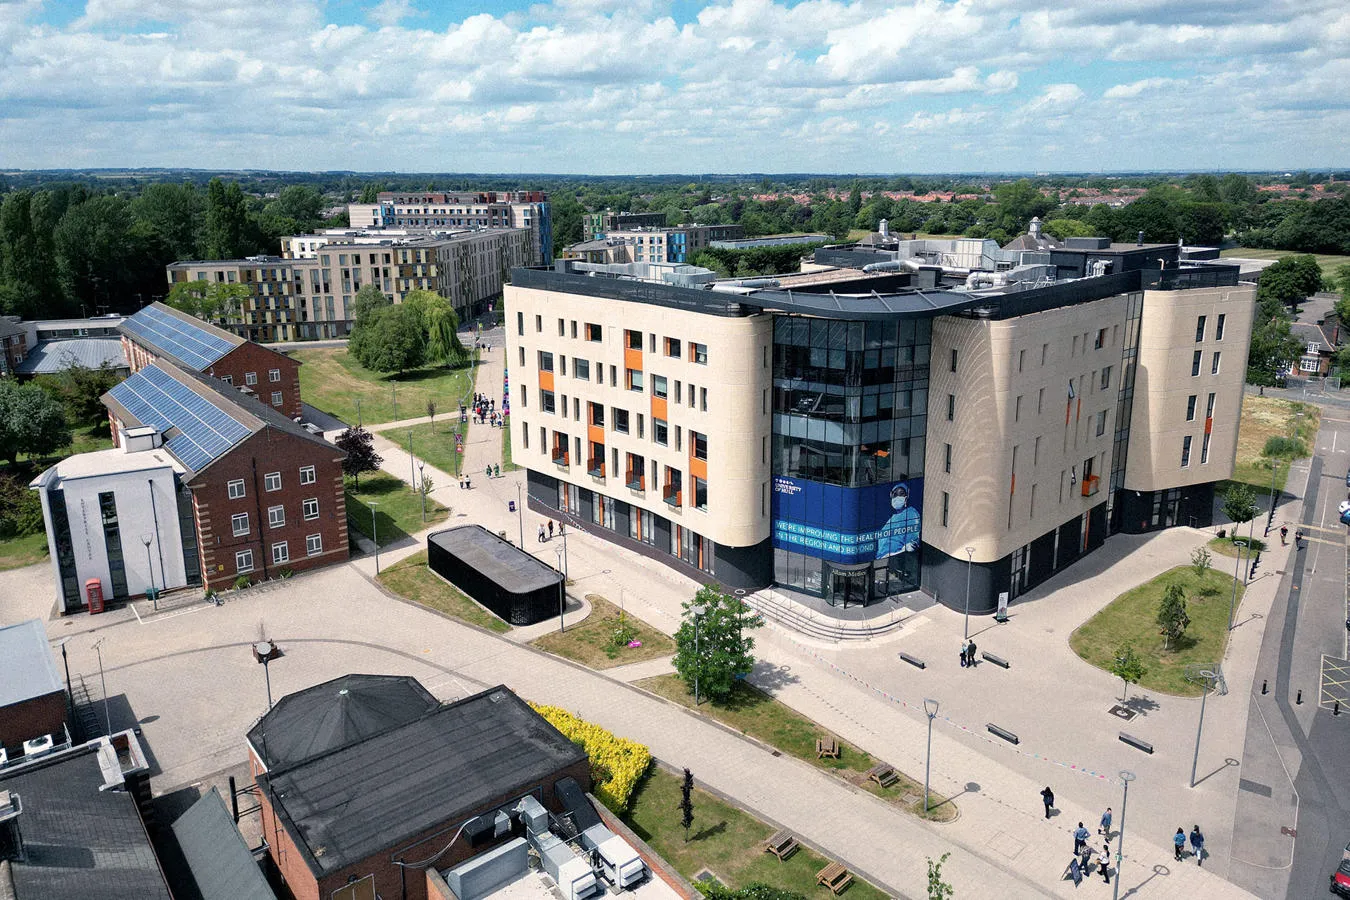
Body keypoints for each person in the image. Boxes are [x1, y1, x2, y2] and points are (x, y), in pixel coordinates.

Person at [874, 482, 922, 558]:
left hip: (897, 558)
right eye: (894, 494)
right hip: (882, 559)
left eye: (901, 494)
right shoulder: (891, 519)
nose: (897, 497)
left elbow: (911, 543)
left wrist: (904, 550)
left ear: (906, 497)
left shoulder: (910, 514)